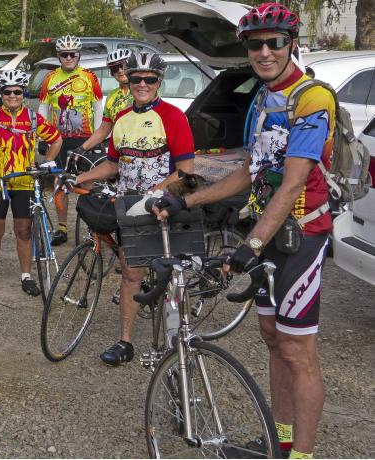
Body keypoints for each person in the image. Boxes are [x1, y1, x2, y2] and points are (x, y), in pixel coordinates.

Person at [152, 5, 332, 457]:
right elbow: (251, 171)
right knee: (273, 341)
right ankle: (280, 443)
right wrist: (185, 199)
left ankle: (302, 457)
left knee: (297, 352)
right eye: (256, 44)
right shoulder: (262, 99)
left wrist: (250, 245)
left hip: (302, 236)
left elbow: (292, 182)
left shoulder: (311, 98)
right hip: (269, 235)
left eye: (275, 41)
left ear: (292, 43)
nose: (265, 51)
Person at [73, 52, 194, 367]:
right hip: (129, 207)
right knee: (130, 273)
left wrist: (155, 193)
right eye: (136, 78)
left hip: (162, 205)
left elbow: (185, 171)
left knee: (172, 274)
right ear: (127, 80)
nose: (142, 84)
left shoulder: (173, 117)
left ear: (158, 81)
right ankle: (125, 342)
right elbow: (113, 165)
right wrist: (81, 176)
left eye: (149, 79)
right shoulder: (123, 118)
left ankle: (178, 344)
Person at [0, 69, 63, 297]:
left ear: (23, 93)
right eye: (7, 92)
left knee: (24, 231)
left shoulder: (33, 118)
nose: (12, 95)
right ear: (1, 94)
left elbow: (57, 139)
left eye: (17, 91)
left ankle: (27, 276)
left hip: (24, 184)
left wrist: (47, 162)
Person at [37, 35, 103, 246]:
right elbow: (43, 108)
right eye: (64, 54)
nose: (68, 58)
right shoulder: (50, 78)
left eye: (72, 54)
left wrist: (99, 137)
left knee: (88, 182)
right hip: (59, 140)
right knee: (59, 183)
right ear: (58, 56)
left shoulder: (89, 77)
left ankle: (93, 229)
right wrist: (42, 135)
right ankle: (62, 228)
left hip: (84, 138)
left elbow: (98, 107)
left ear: (78, 55)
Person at [68, 49, 132, 167]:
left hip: (142, 153)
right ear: (111, 73)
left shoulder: (143, 90)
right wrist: (81, 149)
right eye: (115, 68)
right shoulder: (112, 96)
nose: (120, 70)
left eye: (124, 65)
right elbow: (104, 129)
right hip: (120, 153)